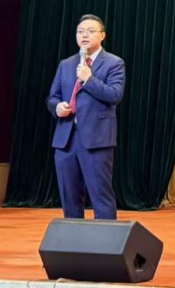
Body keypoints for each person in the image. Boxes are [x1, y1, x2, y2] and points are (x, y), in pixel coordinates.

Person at [46, 14, 125, 220]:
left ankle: (106, 239)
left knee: (101, 196)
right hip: (66, 140)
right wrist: (57, 107)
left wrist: (89, 79)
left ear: (102, 35)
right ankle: (74, 239)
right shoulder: (66, 64)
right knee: (69, 197)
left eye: (90, 31)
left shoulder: (114, 63)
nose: (84, 35)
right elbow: (52, 97)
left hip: (96, 139)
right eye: (80, 32)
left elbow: (114, 95)